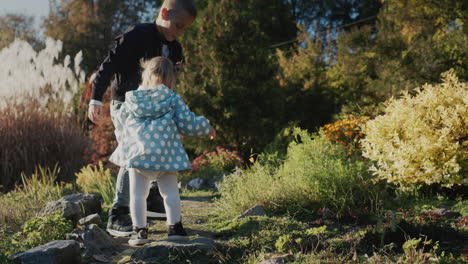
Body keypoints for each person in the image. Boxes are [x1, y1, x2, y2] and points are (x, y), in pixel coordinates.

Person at [88, 0, 197, 237]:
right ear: (164, 12)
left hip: (159, 111)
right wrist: (96, 98)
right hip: (128, 105)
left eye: (184, 29)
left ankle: (152, 201)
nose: (179, 32)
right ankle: (119, 213)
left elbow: (171, 86)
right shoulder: (136, 35)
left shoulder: (175, 49)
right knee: (135, 153)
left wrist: (176, 119)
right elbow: (109, 65)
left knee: (158, 148)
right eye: (177, 25)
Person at [109, 56, 216, 245]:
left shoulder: (131, 99)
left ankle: (139, 231)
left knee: (137, 195)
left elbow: (121, 124)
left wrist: (126, 141)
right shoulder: (172, 99)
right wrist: (207, 127)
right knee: (170, 193)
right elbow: (188, 123)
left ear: (144, 76)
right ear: (171, 81)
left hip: (138, 156)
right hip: (166, 156)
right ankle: (175, 228)